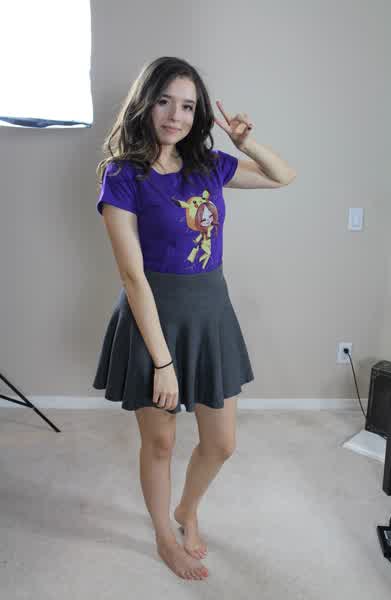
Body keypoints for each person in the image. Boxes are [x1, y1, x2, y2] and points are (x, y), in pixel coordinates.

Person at [92, 56, 296, 581]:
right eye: (164, 101)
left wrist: (245, 142)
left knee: (222, 442)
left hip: (211, 315)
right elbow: (132, 276)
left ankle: (187, 509)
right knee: (160, 442)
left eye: (187, 106)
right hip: (153, 320)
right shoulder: (123, 175)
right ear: (145, 104)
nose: (175, 116)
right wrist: (162, 363)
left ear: (197, 113)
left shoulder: (208, 164)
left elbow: (284, 177)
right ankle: (164, 535)